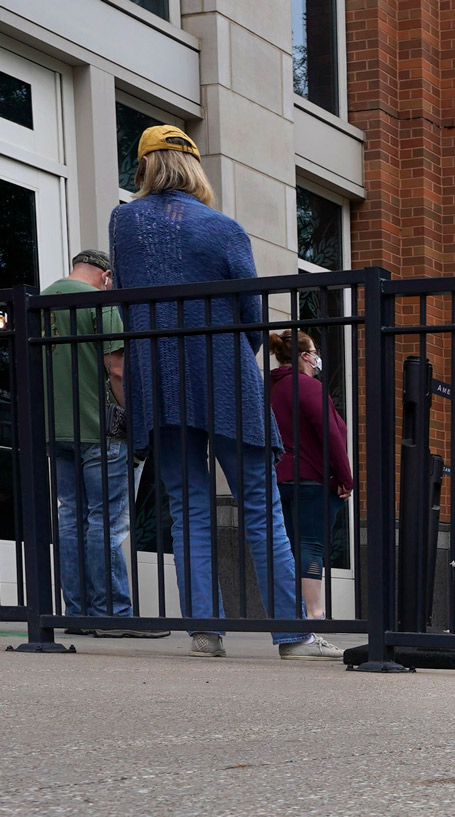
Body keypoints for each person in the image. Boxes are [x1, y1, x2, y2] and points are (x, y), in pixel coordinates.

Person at [108, 125, 339, 660]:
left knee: (188, 511)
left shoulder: (124, 223)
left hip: (159, 381)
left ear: (143, 168)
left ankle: (205, 634)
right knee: (261, 507)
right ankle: (293, 635)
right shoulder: (224, 229)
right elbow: (253, 320)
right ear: (194, 168)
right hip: (224, 376)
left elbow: (125, 300)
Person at [42, 250, 163, 638]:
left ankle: (77, 614)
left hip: (58, 430)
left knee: (71, 519)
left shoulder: (42, 303)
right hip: (102, 430)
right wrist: (136, 419)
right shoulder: (100, 302)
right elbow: (116, 369)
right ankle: (112, 615)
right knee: (106, 524)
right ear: (106, 276)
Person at [265, 330, 352, 624]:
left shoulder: (270, 387)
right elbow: (330, 436)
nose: (317, 359)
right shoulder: (309, 387)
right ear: (305, 356)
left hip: (278, 478)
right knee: (311, 545)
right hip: (311, 478)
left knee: (286, 546)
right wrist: (345, 477)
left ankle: (290, 613)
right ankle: (314, 613)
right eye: (314, 352)